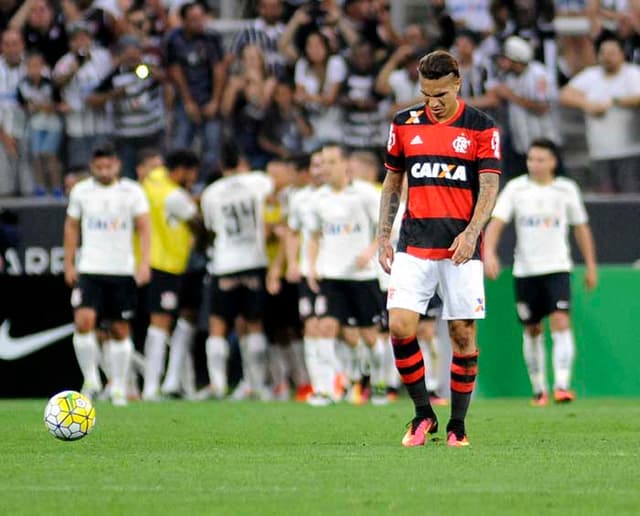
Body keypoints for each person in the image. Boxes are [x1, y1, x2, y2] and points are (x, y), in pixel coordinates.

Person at [378, 50, 501, 447]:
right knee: (400, 327)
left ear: (458, 83)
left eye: (440, 94)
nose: (433, 102)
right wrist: (383, 235)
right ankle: (422, 414)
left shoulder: (481, 127)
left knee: (463, 335)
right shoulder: (403, 123)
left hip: (460, 247)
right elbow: (392, 182)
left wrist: (472, 233)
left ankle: (457, 426)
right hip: (414, 243)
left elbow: (489, 186)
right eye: (426, 93)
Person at [484, 138, 597, 405]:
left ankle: (561, 385)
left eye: (540, 159)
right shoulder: (516, 188)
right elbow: (497, 223)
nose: (534, 164)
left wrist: (591, 264)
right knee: (532, 328)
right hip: (526, 270)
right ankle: (539, 389)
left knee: (560, 320)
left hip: (557, 267)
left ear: (552, 162)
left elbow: (581, 227)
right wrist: (489, 252)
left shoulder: (566, 189)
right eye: (531, 159)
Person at [63, 142, 151, 406]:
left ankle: (119, 387)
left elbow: (145, 228)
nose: (103, 171)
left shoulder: (132, 191)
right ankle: (91, 380)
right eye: (98, 167)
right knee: (83, 322)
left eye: (108, 166)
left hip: (121, 269)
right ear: (92, 167)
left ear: (117, 165)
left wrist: (144, 262)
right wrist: (69, 263)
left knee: (119, 329)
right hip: (90, 267)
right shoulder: (81, 191)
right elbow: (71, 227)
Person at [306, 143, 382, 406]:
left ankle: (378, 383)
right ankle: (326, 390)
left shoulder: (365, 194)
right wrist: (312, 266)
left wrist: (371, 250)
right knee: (326, 327)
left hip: (362, 277)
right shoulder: (319, 199)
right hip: (331, 276)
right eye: (323, 162)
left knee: (370, 337)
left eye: (330, 162)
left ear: (345, 164)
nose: (325, 167)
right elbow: (314, 235)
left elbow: (385, 227)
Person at [198, 143, 273, 400]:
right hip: (254, 260)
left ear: (221, 166)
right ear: (242, 162)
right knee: (253, 323)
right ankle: (256, 384)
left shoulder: (211, 193)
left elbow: (210, 226)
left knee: (218, 324)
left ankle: (218, 384)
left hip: (225, 262)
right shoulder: (258, 181)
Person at [139, 149, 201, 401]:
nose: (193, 179)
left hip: (165, 262)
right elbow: (198, 222)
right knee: (161, 323)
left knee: (183, 319)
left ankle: (173, 382)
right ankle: (152, 386)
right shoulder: (174, 195)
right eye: (192, 174)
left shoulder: (152, 182)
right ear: (181, 171)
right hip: (167, 263)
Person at [559, 33, 640, 193]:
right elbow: (564, 94)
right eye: (603, 53)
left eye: (611, 53)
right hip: (599, 151)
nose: (607, 57)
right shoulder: (591, 75)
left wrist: (615, 101)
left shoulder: (633, 74)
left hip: (630, 149)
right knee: (606, 200)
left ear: (622, 54)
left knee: (631, 198)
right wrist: (587, 104)